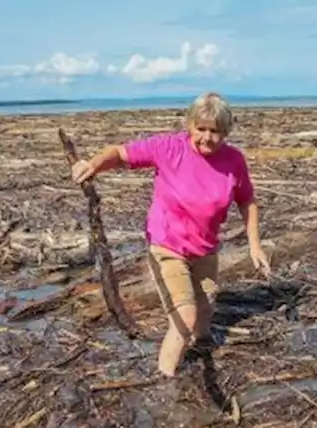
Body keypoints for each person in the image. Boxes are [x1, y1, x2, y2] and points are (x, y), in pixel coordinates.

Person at [70, 91, 271, 377]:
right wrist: (92, 165)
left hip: (205, 248)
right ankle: (166, 381)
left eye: (215, 131)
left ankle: (203, 349)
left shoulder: (233, 160)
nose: (207, 137)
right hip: (167, 245)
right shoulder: (168, 147)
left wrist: (255, 246)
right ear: (189, 126)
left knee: (205, 313)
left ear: (226, 132)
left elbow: (247, 201)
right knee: (184, 319)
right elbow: (120, 153)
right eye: (201, 129)